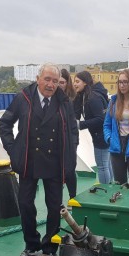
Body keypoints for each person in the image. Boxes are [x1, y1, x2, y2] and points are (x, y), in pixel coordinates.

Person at [0, 63, 78, 256]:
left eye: (55, 81)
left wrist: (71, 151)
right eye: (47, 79)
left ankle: (50, 247)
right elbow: (5, 123)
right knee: (25, 204)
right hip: (29, 161)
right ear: (38, 79)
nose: (51, 85)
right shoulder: (23, 98)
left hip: (55, 162)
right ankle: (31, 245)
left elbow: (73, 130)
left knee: (54, 206)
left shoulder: (64, 102)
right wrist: (13, 149)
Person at [73, 71, 112, 184]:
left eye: (77, 81)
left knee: (102, 166)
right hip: (104, 135)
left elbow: (100, 119)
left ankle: (106, 190)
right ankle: (111, 187)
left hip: (101, 136)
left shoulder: (92, 98)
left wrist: (80, 124)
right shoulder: (86, 96)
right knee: (107, 164)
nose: (75, 84)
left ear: (85, 82)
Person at [58, 68, 78, 199]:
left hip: (69, 143)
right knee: (56, 174)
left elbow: (73, 125)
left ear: (67, 84)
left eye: (62, 82)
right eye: (57, 82)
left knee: (70, 171)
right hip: (56, 144)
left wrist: (74, 143)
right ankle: (58, 202)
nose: (59, 85)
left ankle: (73, 198)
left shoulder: (69, 101)